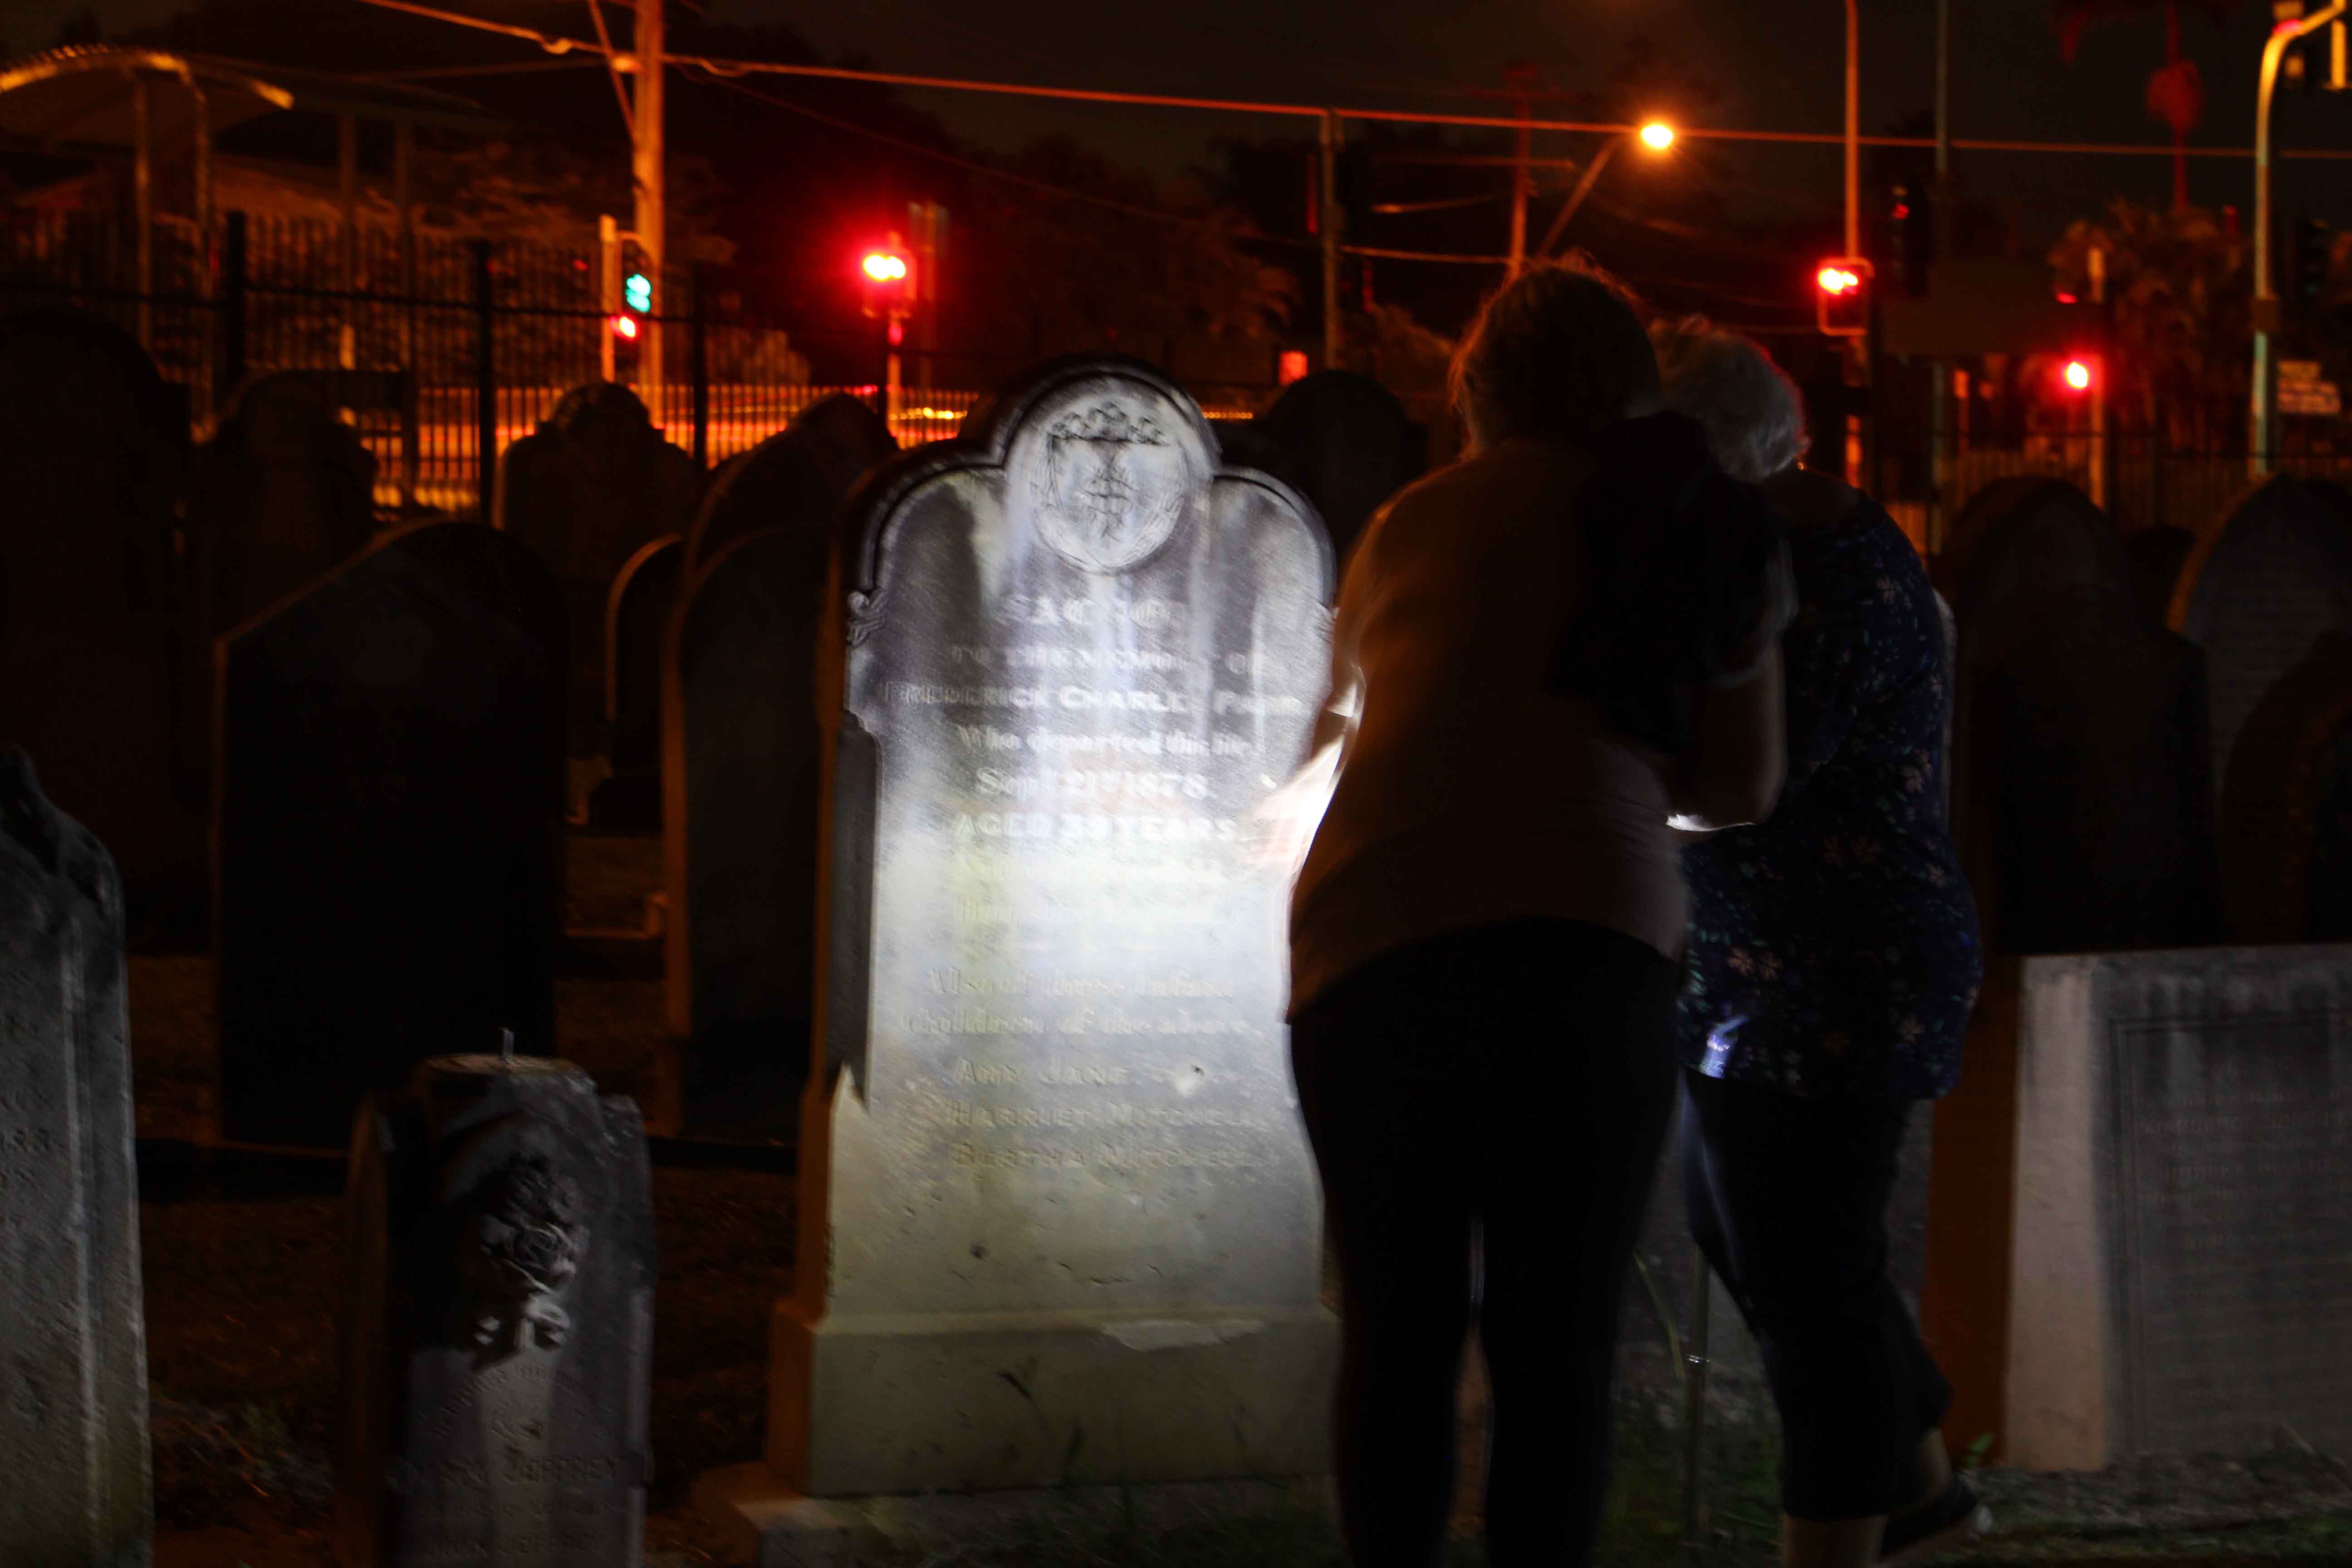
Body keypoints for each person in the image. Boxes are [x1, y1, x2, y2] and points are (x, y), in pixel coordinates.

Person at [1277, 258, 1791, 1568]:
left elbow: (1338, 729)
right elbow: (1741, 785)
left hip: (1369, 949)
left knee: (1397, 1332)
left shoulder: (1408, 521)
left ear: (1476, 392)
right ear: (1634, 383)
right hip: (1584, 947)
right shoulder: (1703, 521)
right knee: (1555, 1349)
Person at [1651, 317, 1988, 1568]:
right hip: (1763, 966)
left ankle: (1848, 1542)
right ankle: (1934, 1510)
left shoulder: (1824, 570)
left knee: (1809, 1293)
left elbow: (1750, 780)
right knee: (1761, 1244)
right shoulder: (1787, 543)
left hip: (1840, 968)